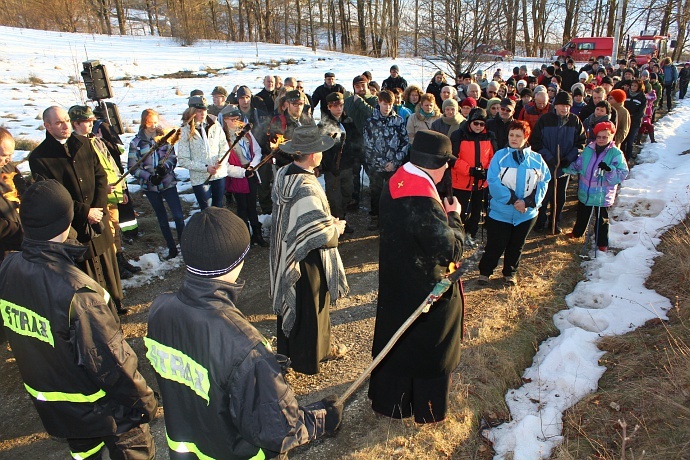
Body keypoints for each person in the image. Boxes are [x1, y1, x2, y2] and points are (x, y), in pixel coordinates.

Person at [146, 207, 343, 459]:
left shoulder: (160, 309)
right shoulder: (243, 344)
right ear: (239, 260)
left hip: (185, 450)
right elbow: (278, 428)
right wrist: (322, 418)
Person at [0, 180, 157, 460]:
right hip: (104, 408)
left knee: (85, 454)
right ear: (66, 221)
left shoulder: (9, 267)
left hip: (56, 406)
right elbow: (111, 362)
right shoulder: (79, 293)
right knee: (134, 449)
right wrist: (144, 401)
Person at [370, 129, 464, 424]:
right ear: (439, 164)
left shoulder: (398, 179)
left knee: (398, 343)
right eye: (447, 163)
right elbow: (450, 250)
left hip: (398, 280)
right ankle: (427, 408)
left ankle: (393, 403)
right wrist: (454, 217)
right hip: (426, 288)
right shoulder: (422, 196)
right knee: (430, 344)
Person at [30, 106, 126, 314]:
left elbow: (100, 176)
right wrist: (85, 211)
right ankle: (96, 313)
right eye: (58, 123)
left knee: (107, 264)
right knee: (86, 274)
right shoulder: (39, 158)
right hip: (73, 224)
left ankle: (116, 305)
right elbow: (51, 194)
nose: (65, 125)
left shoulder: (84, 144)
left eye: (66, 120)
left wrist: (98, 207)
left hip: (97, 217)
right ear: (47, 126)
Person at [269, 125, 349, 375]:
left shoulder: (283, 174)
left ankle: (289, 353)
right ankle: (310, 358)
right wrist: (335, 228)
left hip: (287, 253)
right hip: (307, 258)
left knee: (293, 305)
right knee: (311, 307)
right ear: (313, 154)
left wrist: (324, 222)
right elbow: (317, 232)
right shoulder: (306, 185)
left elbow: (302, 218)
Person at [69, 105, 140, 281]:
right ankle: (115, 264)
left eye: (92, 121)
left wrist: (122, 188)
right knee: (107, 232)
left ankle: (121, 259)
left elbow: (112, 165)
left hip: (113, 192)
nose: (91, 124)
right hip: (98, 199)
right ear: (76, 123)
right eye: (87, 121)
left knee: (116, 229)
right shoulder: (74, 146)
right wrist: (102, 188)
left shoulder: (96, 140)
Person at [477, 120, 550, 286]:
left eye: (519, 135)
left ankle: (510, 272)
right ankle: (485, 271)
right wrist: (513, 200)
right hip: (500, 212)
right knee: (496, 244)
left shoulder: (537, 159)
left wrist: (529, 202)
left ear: (526, 138)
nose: (514, 138)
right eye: (511, 135)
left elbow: (544, 181)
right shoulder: (500, 156)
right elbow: (493, 180)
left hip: (526, 214)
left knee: (516, 245)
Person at [129, 108, 185, 260]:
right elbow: (133, 166)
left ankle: (184, 244)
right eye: (149, 123)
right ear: (143, 123)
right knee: (162, 217)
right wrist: (149, 177)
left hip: (167, 182)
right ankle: (171, 247)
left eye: (155, 122)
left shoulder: (164, 138)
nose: (153, 126)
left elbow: (172, 158)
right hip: (151, 187)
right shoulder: (136, 142)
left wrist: (164, 169)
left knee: (178, 216)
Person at [564, 121, 628, 252]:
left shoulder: (616, 153)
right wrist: (564, 167)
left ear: (611, 137)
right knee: (582, 213)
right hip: (585, 190)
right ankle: (577, 233)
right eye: (599, 137)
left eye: (605, 137)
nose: (601, 139)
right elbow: (579, 164)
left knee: (601, 219)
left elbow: (622, 174)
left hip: (602, 193)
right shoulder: (589, 149)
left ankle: (602, 242)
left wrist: (610, 170)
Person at [530, 91, 586, 234]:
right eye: (561, 105)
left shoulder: (575, 121)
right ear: (555, 106)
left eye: (567, 106)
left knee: (560, 196)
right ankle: (540, 221)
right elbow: (536, 142)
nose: (564, 108)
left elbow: (581, 143)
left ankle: (555, 222)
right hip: (546, 165)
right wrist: (549, 157)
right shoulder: (544, 120)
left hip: (565, 166)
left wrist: (569, 158)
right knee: (544, 194)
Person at [220, 105, 269, 247]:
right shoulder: (223, 138)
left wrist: (252, 166)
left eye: (237, 119)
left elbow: (257, 150)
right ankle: (244, 237)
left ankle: (257, 234)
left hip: (251, 171)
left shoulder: (245, 132)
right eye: (232, 119)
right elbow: (224, 164)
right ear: (224, 120)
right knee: (242, 207)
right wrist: (242, 172)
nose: (236, 122)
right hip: (237, 175)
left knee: (252, 205)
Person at [363, 89, 409, 230]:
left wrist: (394, 162)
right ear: (379, 102)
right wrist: (382, 163)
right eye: (384, 104)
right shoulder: (370, 121)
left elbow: (405, 142)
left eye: (390, 104)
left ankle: (391, 218)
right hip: (377, 166)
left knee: (393, 192)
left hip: (394, 165)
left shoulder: (398, 121)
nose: (387, 107)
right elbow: (367, 145)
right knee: (376, 192)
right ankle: (375, 217)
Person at [449, 108, 496, 246]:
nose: (479, 127)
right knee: (462, 211)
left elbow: (493, 156)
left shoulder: (489, 136)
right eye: (476, 123)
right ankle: (458, 235)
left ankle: (472, 233)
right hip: (462, 181)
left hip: (481, 182)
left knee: (476, 211)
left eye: (482, 124)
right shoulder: (458, 135)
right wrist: (469, 170)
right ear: (470, 122)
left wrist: (487, 171)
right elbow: (452, 158)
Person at [177, 96, 229, 209]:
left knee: (218, 207)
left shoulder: (215, 124)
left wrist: (221, 161)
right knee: (207, 209)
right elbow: (183, 159)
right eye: (199, 111)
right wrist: (205, 168)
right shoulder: (185, 130)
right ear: (192, 111)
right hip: (199, 178)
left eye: (204, 110)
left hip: (218, 174)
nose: (203, 113)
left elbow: (224, 145)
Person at [318, 92, 357, 233]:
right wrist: (329, 166)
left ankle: (343, 219)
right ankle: (336, 223)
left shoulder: (348, 121)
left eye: (340, 105)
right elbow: (322, 149)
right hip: (333, 169)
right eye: (335, 106)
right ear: (329, 107)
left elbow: (355, 141)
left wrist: (355, 158)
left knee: (348, 193)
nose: (338, 108)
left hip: (347, 166)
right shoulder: (323, 125)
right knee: (335, 198)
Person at [344, 75, 379, 210]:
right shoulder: (348, 101)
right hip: (353, 144)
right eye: (357, 86)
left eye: (363, 86)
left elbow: (374, 115)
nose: (360, 89)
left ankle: (374, 206)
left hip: (370, 145)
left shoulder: (374, 100)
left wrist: (360, 102)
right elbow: (343, 115)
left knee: (373, 176)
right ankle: (354, 200)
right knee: (353, 174)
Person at [267, 89, 316, 167]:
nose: (298, 107)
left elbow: (314, 141)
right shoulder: (279, 121)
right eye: (295, 104)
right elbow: (275, 149)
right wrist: (294, 164)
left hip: (307, 164)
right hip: (287, 166)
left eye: (301, 104)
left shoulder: (308, 120)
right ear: (288, 104)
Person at [0, 128, 25, 261]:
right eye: (4, 155)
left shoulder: (9, 170)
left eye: (11, 154)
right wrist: (18, 230)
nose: (9, 159)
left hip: (19, 249)